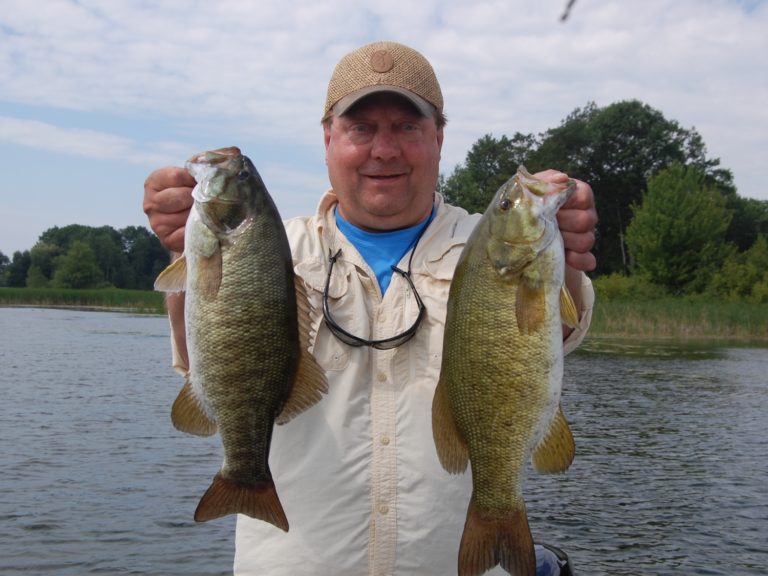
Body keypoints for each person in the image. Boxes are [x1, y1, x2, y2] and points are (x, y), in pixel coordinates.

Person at [143, 40, 597, 576]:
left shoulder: (488, 245)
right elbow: (205, 358)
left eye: (406, 127)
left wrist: (565, 249)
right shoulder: (269, 247)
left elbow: (551, 334)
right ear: (328, 139)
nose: (384, 150)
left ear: (439, 138)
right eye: (361, 128)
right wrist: (185, 250)